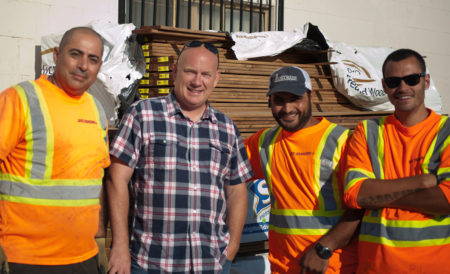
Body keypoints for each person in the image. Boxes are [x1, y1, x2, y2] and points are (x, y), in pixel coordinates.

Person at [106, 40, 253, 274]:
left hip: (211, 263)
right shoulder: (142, 115)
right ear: (175, 71)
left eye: (206, 74)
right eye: (190, 72)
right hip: (151, 262)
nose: (197, 81)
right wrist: (120, 246)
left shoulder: (227, 128)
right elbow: (116, 180)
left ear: (216, 79)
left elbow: (236, 189)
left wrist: (232, 247)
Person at [0, 26, 110, 273]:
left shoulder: (96, 109)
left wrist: (100, 238)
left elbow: (96, 178)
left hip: (83, 257)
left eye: (92, 59)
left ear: (99, 66)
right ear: (57, 55)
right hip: (25, 259)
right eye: (75, 54)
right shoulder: (19, 99)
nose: (83, 65)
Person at [245, 66, 362, 273]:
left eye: (295, 98)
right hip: (283, 267)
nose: (288, 108)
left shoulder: (343, 142)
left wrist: (324, 249)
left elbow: (362, 209)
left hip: (332, 266)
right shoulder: (264, 143)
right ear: (269, 102)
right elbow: (222, 168)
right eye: (279, 100)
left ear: (311, 96)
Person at [342, 48, 450, 273]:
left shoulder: (446, 133)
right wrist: (421, 182)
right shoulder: (368, 132)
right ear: (384, 86)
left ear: (426, 81)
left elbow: (446, 201)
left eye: (411, 79)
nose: (402, 88)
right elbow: (355, 195)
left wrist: (376, 196)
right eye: (393, 82)